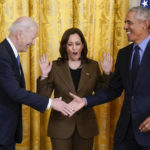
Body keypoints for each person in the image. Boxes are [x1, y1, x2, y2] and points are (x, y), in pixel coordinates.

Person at [69, 6, 150, 150]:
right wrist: (85, 101)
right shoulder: (124, 54)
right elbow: (113, 90)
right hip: (125, 133)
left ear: (145, 24)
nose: (125, 27)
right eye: (125, 22)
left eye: (129, 22)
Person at [0, 16, 73, 150]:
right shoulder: (3, 55)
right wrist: (51, 103)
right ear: (20, 34)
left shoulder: (9, 53)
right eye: (32, 38)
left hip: (6, 131)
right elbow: (16, 92)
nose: (33, 43)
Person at [37, 27, 112, 150]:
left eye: (77, 44)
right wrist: (44, 75)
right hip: (60, 126)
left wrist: (107, 74)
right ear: (65, 47)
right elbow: (43, 98)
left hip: (86, 126)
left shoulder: (93, 66)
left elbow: (102, 94)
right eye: (70, 44)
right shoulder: (55, 66)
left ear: (83, 45)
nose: (74, 48)